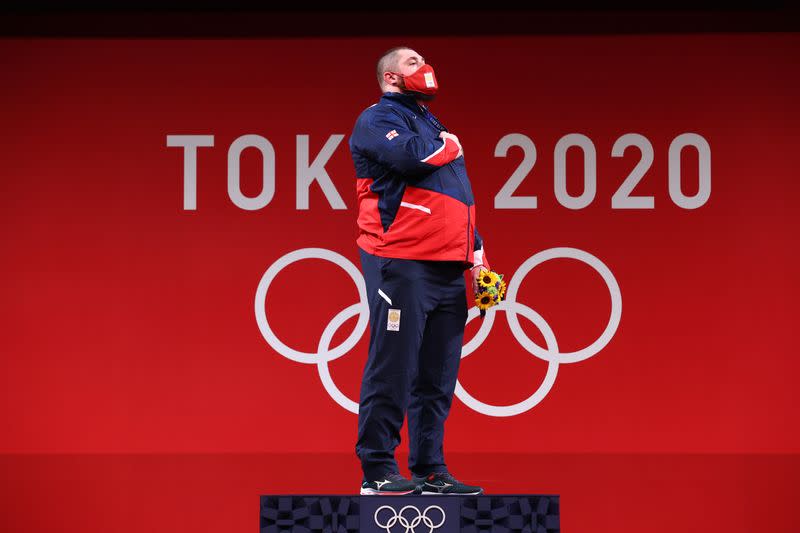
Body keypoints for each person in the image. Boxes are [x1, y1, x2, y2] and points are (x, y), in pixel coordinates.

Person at [349, 46, 491, 496]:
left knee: (437, 375)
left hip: (449, 266)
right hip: (403, 260)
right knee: (393, 367)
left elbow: (457, 199)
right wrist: (449, 145)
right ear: (390, 77)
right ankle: (376, 469)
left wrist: (478, 254)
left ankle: (429, 469)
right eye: (413, 62)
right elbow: (412, 160)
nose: (425, 68)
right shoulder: (376, 118)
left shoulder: (431, 123)